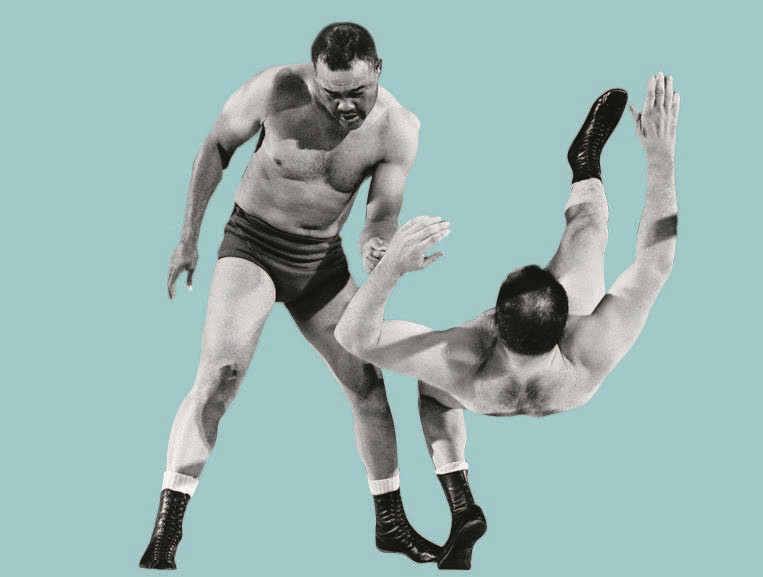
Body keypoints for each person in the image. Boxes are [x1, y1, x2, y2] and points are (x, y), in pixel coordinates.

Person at [335, 73, 679, 568]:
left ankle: (461, 499)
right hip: (565, 390)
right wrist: (661, 157)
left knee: (432, 394)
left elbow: (353, 337)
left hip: (482, 394)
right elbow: (655, 262)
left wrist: (391, 268)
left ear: (494, 321)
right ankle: (583, 165)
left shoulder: (461, 359)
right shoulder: (592, 345)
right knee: (589, 227)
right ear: (567, 318)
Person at [140, 22, 448, 569]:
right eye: (332, 95)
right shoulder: (275, 89)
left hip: (320, 263)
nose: (346, 107)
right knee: (220, 376)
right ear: (313, 78)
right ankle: (167, 530)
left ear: (379, 70)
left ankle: (390, 522)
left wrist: (379, 247)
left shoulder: (398, 128)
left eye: (358, 93)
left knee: (368, 385)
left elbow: (380, 216)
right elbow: (216, 146)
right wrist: (188, 236)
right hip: (252, 247)